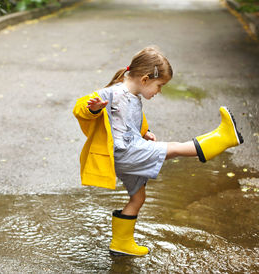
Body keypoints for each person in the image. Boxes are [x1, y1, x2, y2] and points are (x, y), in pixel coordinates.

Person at [73, 46, 243, 256]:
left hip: (130, 149)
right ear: (144, 79)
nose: (159, 91)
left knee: (138, 198)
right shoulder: (113, 92)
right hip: (125, 152)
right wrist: (94, 108)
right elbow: (80, 107)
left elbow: (129, 122)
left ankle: (121, 244)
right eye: (159, 85)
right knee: (172, 148)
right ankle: (223, 137)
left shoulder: (134, 95)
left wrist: (145, 132)